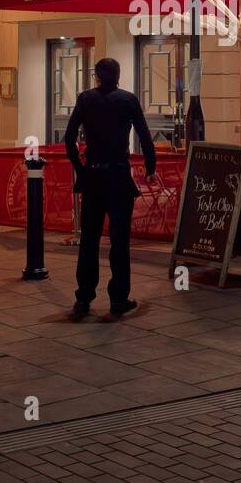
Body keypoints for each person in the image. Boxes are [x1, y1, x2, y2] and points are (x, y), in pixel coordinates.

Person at [64, 58, 156, 321]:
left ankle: (83, 297)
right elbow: (145, 136)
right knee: (120, 241)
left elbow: (69, 139)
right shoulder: (128, 100)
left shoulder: (85, 99)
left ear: (96, 76)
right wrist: (151, 166)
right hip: (118, 175)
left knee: (89, 241)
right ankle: (118, 298)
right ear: (118, 75)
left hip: (93, 175)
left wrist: (80, 169)